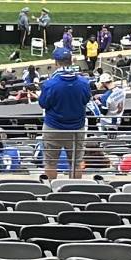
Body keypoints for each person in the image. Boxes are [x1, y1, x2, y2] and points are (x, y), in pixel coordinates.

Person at [36, 46, 94, 176]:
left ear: (56, 63)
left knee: (50, 163)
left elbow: (43, 104)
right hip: (76, 128)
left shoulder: (50, 84)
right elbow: (86, 100)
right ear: (71, 61)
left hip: (54, 128)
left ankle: (53, 191)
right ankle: (73, 191)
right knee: (76, 162)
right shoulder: (84, 83)